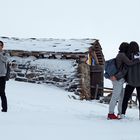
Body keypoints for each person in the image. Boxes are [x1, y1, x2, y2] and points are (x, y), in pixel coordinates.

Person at [107, 42, 140, 119]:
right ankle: (111, 114)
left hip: (127, 81)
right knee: (116, 96)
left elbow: (126, 69)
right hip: (118, 79)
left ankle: (120, 113)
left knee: (123, 97)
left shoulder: (127, 55)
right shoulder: (123, 55)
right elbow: (128, 64)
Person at [121, 41, 140, 118]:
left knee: (125, 98)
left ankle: (122, 114)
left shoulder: (128, 56)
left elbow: (125, 68)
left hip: (130, 81)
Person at [0, 40, 8, 112]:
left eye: (0, 45)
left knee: (2, 92)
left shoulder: (5, 54)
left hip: (2, 76)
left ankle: (4, 109)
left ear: (2, 46)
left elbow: (5, 60)